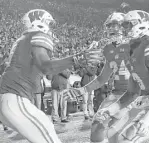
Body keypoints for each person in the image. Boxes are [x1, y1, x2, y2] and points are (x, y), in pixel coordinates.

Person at [0, 9, 102, 143]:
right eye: (48, 23)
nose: (50, 27)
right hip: (15, 97)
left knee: (45, 128)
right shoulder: (37, 36)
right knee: (48, 134)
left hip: (9, 97)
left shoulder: (24, 39)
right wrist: (77, 58)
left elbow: (47, 72)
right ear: (39, 22)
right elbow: (46, 66)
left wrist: (72, 61)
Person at [77, 10, 149, 143]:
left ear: (143, 26)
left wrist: (148, 118)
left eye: (128, 25)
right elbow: (132, 92)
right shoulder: (130, 50)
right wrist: (111, 109)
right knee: (117, 139)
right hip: (145, 98)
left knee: (127, 139)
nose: (124, 29)